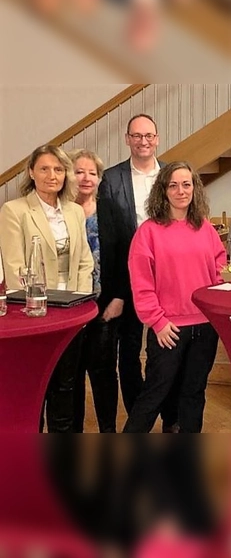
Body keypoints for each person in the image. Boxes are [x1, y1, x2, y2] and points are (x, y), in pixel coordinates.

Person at [123, 162, 227, 433]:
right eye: (173, 185)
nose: (181, 191)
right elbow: (142, 283)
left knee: (194, 394)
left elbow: (219, 270)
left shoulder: (205, 227)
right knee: (155, 394)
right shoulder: (148, 232)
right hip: (169, 328)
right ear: (163, 191)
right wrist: (157, 321)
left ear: (195, 188)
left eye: (186, 184)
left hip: (205, 328)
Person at [0, 145, 94, 432]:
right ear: (31, 172)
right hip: (36, 314)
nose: (51, 175)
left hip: (72, 313)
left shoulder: (75, 211)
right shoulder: (14, 211)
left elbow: (85, 263)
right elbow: (16, 268)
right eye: (44, 168)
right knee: (35, 389)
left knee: (66, 388)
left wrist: (77, 304)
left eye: (58, 169)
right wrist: (44, 306)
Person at [99, 113, 177, 432]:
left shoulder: (173, 176)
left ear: (157, 139)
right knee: (129, 354)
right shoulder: (110, 178)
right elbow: (109, 237)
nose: (143, 141)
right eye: (136, 135)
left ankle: (171, 418)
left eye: (149, 135)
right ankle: (137, 420)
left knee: (168, 354)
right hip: (128, 278)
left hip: (170, 279)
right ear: (127, 139)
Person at [71, 149, 128, 433]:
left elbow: (124, 256)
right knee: (70, 377)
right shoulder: (61, 211)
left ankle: (108, 431)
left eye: (92, 173)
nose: (86, 178)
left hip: (104, 307)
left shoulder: (110, 209)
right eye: (79, 171)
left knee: (104, 374)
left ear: (99, 178)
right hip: (68, 310)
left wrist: (119, 297)